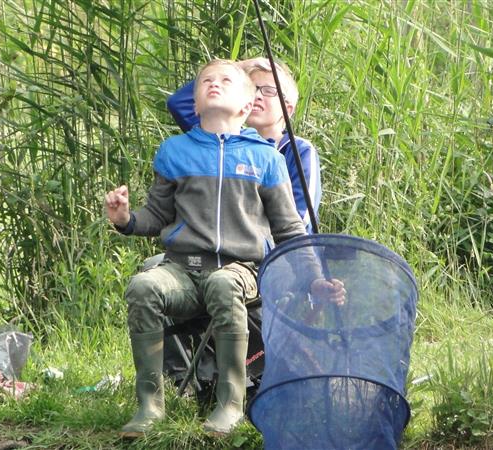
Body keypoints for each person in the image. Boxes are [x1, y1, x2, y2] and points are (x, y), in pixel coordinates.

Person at [104, 59, 344, 437]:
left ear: (247, 106)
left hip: (242, 270)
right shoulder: (174, 151)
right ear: (196, 103)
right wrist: (125, 219)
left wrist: (314, 279)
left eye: (226, 81)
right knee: (143, 285)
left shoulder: (267, 158)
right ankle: (150, 405)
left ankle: (230, 403)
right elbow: (157, 215)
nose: (214, 84)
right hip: (183, 269)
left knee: (222, 283)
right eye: (206, 81)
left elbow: (290, 229)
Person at [167, 57, 321, 234]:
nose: (257, 96)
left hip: (279, 247)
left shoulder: (298, 150)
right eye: (252, 89)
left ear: (287, 109)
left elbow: (302, 219)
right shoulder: (222, 141)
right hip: (223, 245)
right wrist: (239, 67)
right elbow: (180, 104)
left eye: (269, 91)